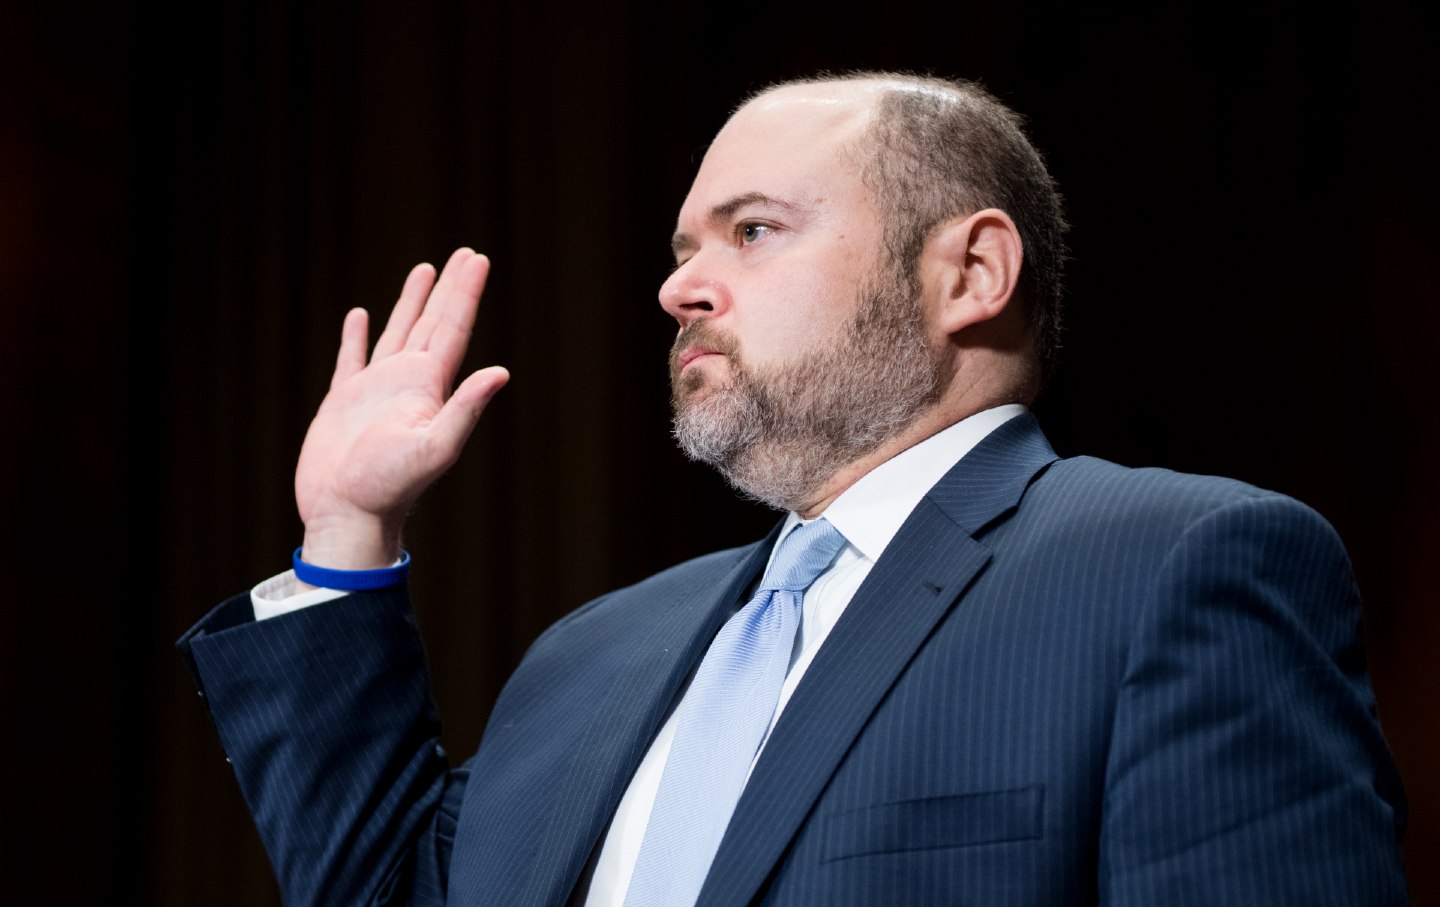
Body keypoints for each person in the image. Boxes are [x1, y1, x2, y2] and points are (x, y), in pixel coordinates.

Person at [179, 72, 1408, 906]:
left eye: (752, 231)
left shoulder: (1172, 567)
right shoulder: (593, 653)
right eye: (681, 251)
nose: (680, 288)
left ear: (970, 270)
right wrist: (345, 530)